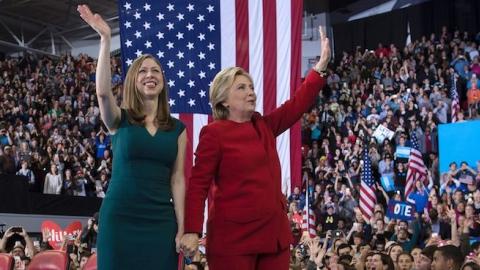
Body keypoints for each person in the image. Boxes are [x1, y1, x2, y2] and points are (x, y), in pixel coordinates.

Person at [180, 26, 331, 270]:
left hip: (274, 238)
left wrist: (320, 67)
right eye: (241, 87)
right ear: (223, 99)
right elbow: (198, 185)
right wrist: (191, 230)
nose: (250, 92)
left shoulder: (263, 125)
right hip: (233, 241)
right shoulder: (214, 133)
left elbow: (296, 105)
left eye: (251, 87)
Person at [77, 5, 186, 269]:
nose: (150, 75)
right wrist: (105, 40)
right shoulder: (119, 119)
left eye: (156, 71)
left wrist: (183, 227)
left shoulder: (178, 129)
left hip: (161, 223)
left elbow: (178, 179)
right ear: (133, 81)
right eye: (143, 71)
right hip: (120, 219)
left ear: (163, 81)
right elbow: (103, 94)